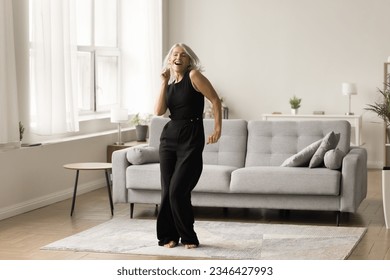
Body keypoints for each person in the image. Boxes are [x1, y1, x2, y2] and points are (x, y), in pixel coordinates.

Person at [154, 43, 222, 249]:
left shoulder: (194, 76)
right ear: (170, 59)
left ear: (189, 60)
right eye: (175, 54)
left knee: (178, 190)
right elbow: (158, 111)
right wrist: (164, 82)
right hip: (169, 139)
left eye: (183, 55)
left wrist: (217, 129)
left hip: (191, 137)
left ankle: (189, 236)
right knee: (167, 191)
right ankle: (169, 236)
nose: (179, 57)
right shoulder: (170, 83)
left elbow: (215, 100)